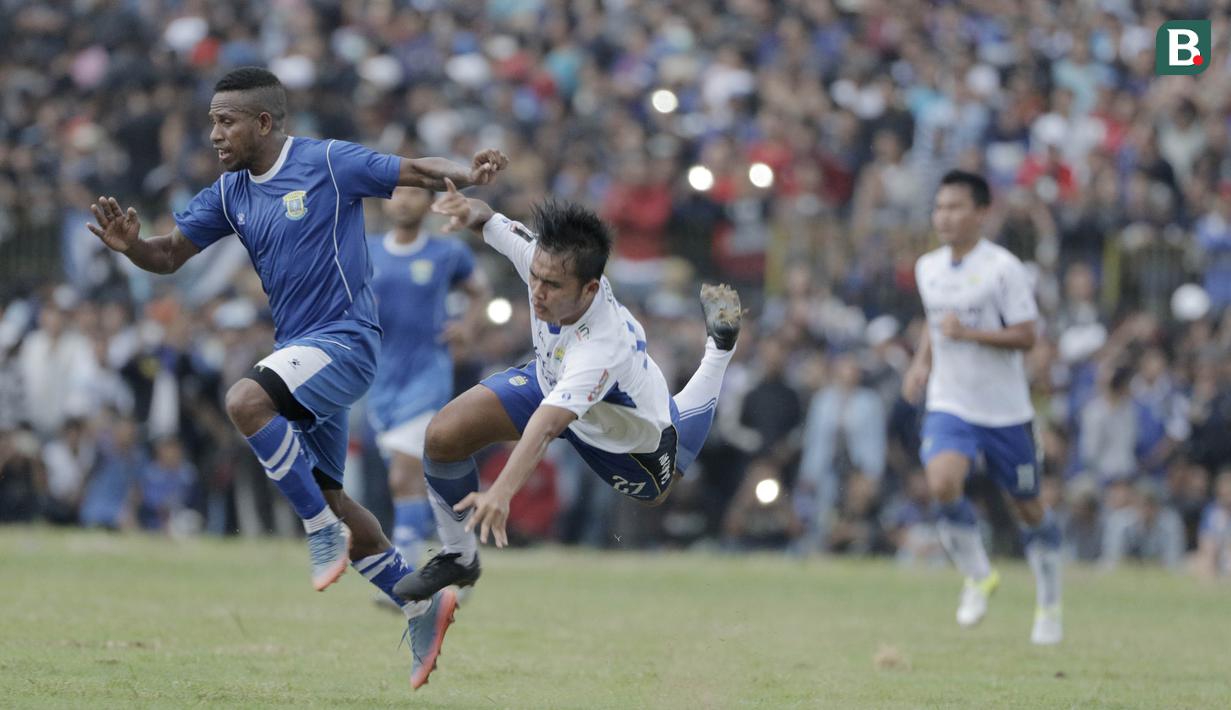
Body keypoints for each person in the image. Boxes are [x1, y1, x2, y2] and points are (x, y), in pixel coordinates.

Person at [85, 66, 507, 689]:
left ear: (264, 122)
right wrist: (133, 247)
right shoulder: (231, 192)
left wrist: (468, 173)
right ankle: (421, 603)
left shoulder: (328, 162)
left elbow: (412, 169)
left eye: (225, 122)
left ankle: (317, 532)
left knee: (244, 400)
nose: (213, 134)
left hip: (347, 342)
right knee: (337, 496)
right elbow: (170, 255)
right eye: (210, 121)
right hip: (302, 357)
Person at [391, 180, 742, 664]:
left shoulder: (601, 346)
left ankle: (719, 351)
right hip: (551, 381)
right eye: (535, 277)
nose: (537, 291)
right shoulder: (544, 259)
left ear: (591, 288)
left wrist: (501, 491)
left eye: (552, 286)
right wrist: (459, 207)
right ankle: (459, 556)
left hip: (628, 440)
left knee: (664, 482)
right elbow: (487, 217)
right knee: (443, 435)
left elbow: (547, 426)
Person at [902, 169, 1063, 645]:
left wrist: (969, 334)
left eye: (955, 207)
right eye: (939, 208)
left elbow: (1028, 334)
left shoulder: (1004, 268)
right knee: (942, 481)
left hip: (1006, 410)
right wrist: (920, 363)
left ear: (981, 213)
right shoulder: (927, 267)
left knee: (1029, 508)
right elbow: (936, 324)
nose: (944, 217)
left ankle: (1050, 603)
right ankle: (977, 575)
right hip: (951, 401)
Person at [367, 186, 489, 569]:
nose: (403, 200)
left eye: (414, 193)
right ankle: (462, 554)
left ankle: (404, 576)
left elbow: (479, 292)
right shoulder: (366, 249)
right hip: (380, 381)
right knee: (417, 482)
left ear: (430, 203)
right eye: (397, 192)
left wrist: (467, 327)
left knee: (404, 475)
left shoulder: (446, 252)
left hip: (428, 376)